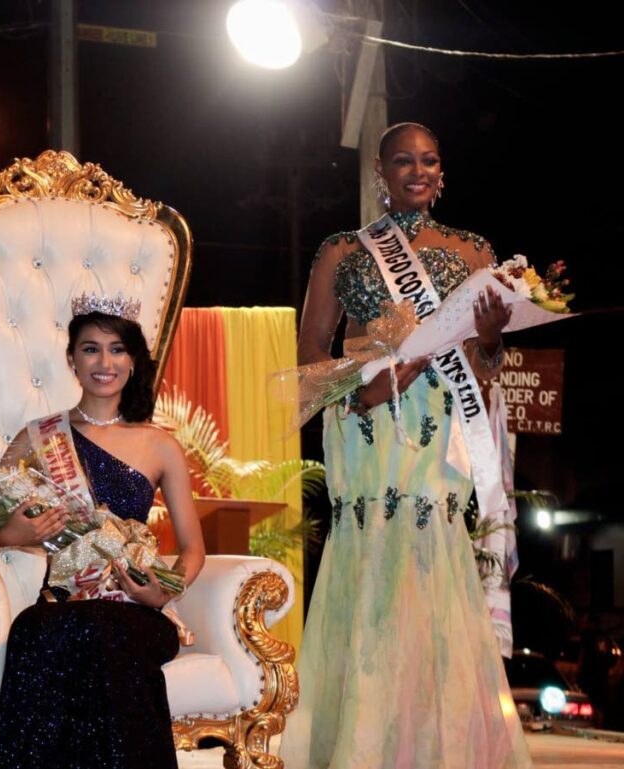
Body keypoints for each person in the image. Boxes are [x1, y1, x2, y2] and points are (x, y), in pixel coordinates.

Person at [281, 122, 533, 768]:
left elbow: (483, 364)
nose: (417, 171)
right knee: (373, 561)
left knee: (431, 562)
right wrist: (359, 390)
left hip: (437, 424)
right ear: (380, 173)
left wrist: (496, 336)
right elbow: (310, 353)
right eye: (402, 161)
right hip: (369, 419)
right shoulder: (344, 249)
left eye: (428, 161)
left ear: (441, 170)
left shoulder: (474, 249)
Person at [0, 301, 205, 769]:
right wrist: (10, 532)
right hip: (64, 604)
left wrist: (162, 591)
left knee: (102, 630)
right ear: (72, 359)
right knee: (43, 629)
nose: (104, 363)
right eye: (91, 349)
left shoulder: (160, 446)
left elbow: (193, 550)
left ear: (133, 361)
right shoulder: (38, 438)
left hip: (133, 610)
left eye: (116, 350)